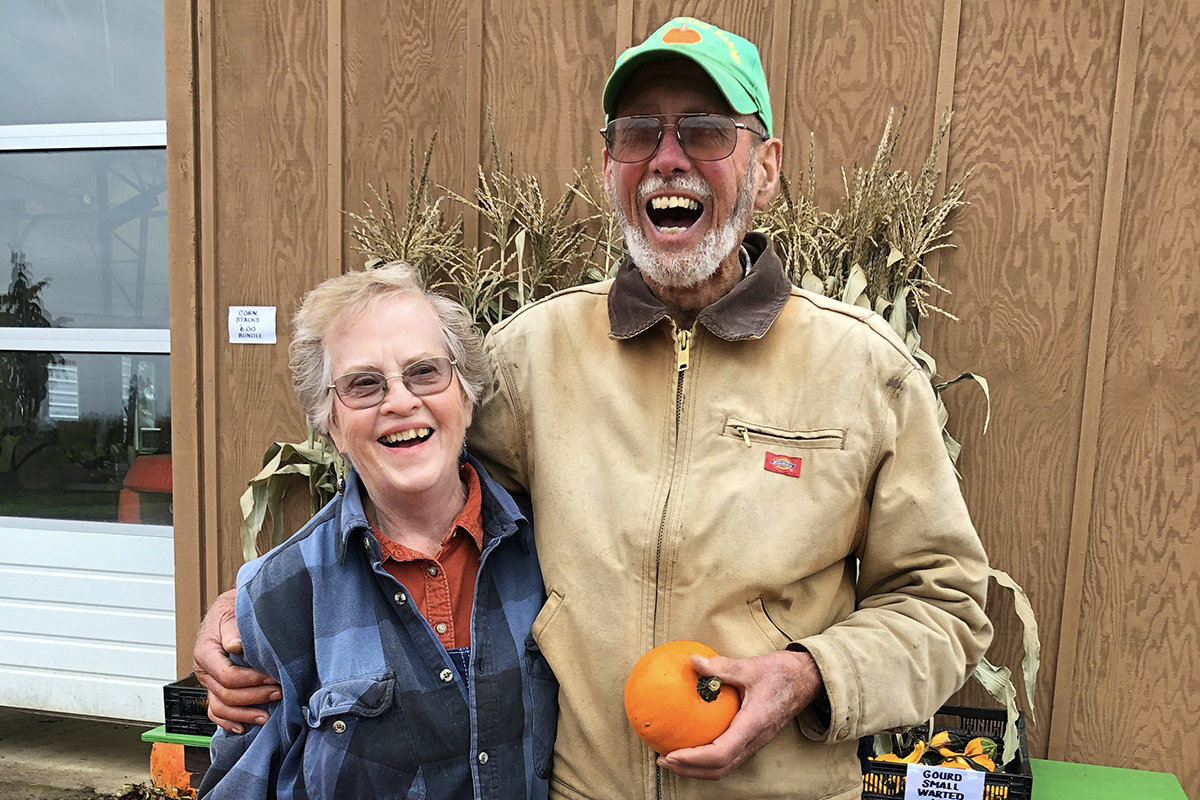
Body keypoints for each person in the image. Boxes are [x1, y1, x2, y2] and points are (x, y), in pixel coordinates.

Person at [196, 16, 992, 800]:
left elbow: (945, 603)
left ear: (767, 166)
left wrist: (812, 675)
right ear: (609, 163)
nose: (667, 159)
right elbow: (416, 499)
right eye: (639, 133)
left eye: (707, 132)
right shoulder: (530, 357)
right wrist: (252, 610)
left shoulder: (864, 370)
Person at [197, 263, 556, 799]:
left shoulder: (549, 548)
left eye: (425, 372)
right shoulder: (281, 597)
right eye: (363, 385)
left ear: (467, 395)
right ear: (331, 424)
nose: (399, 401)